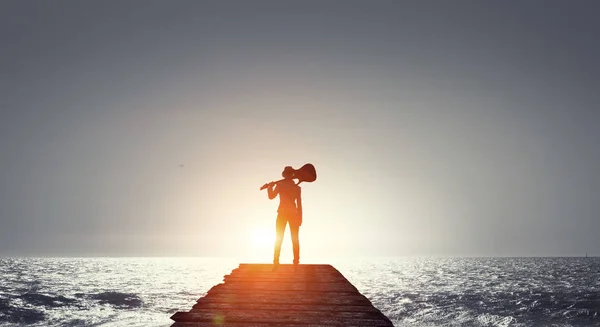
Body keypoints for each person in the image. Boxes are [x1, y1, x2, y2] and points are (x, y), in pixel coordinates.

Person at [265, 166, 302, 268]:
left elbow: (271, 196)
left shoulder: (280, 185)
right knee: (295, 239)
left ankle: (276, 261)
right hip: (294, 214)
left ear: (285, 175)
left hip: (282, 214)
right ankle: (296, 262)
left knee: (278, 238)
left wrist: (269, 187)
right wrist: (300, 218)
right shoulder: (297, 188)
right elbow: (299, 204)